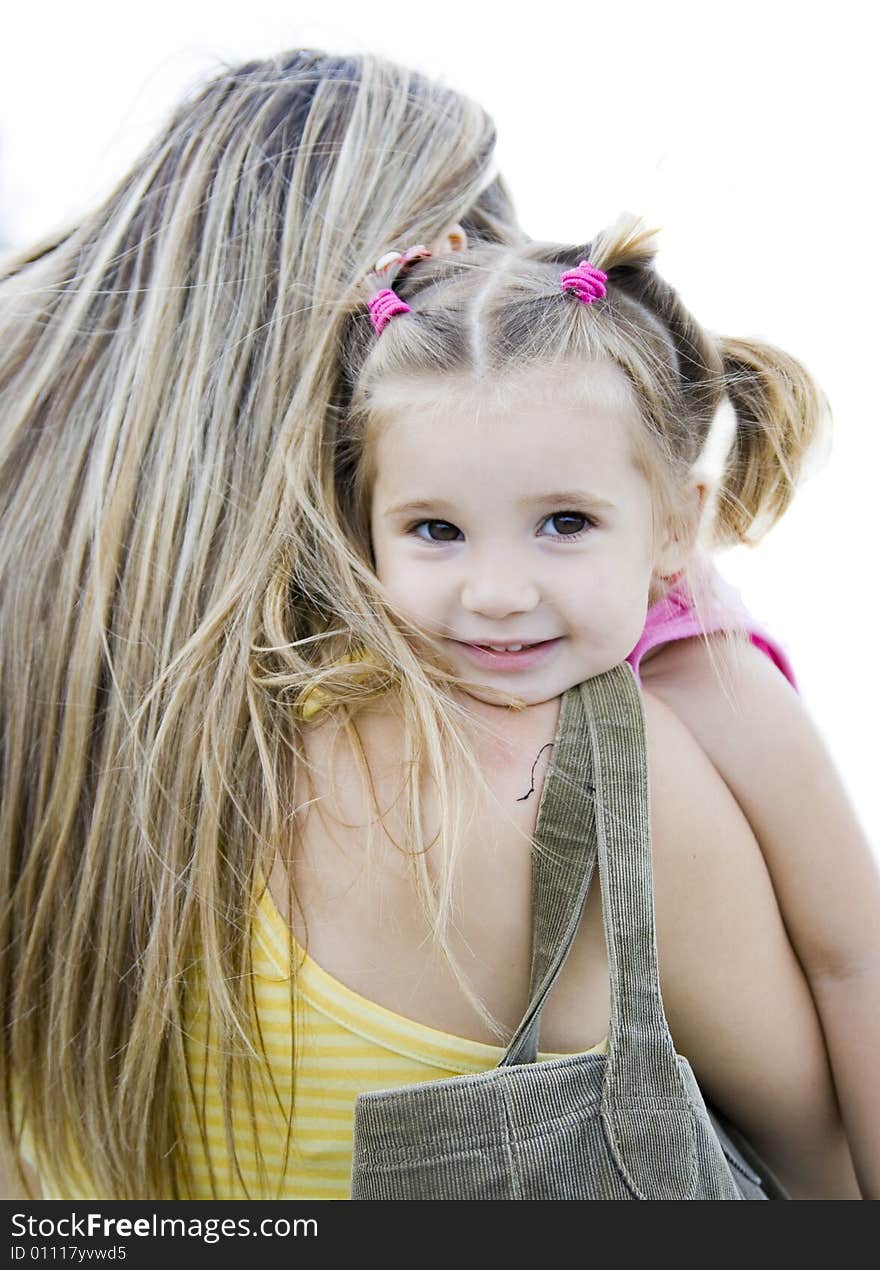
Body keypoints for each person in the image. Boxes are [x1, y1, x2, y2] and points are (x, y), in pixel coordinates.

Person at [0, 46, 873, 1202]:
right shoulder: (589, 764)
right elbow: (802, 1121)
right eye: (436, 529)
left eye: (561, 520)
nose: (500, 591)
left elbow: (848, 947)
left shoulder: (65, 748)